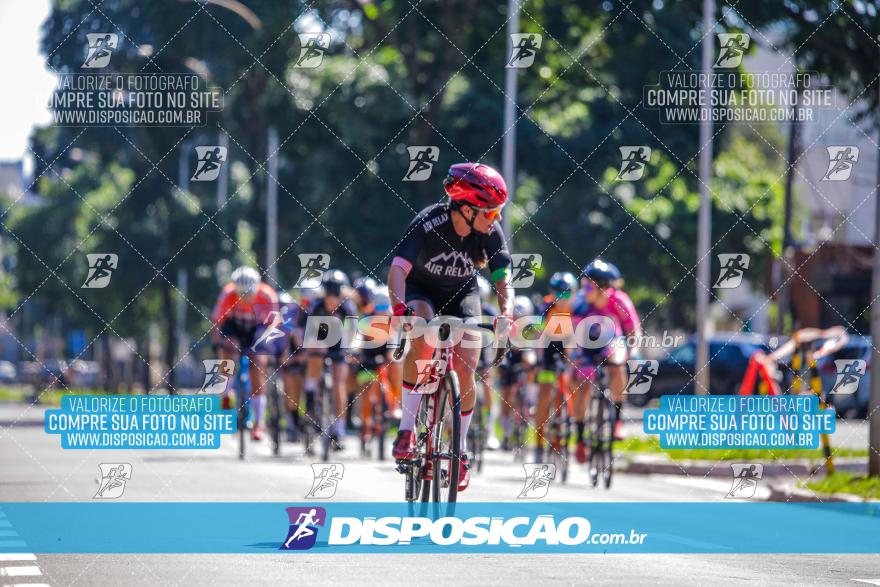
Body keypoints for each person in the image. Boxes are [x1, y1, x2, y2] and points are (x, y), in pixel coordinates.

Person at [387, 162, 513, 492]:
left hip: (463, 294)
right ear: (466, 207)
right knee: (425, 335)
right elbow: (398, 272)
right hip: (421, 291)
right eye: (490, 211)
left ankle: (460, 450)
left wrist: (507, 313)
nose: (496, 218)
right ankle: (406, 428)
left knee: (468, 359)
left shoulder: (489, 232)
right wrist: (400, 309)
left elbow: (503, 278)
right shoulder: (429, 223)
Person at [572, 260, 641, 454]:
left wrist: (632, 351)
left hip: (612, 341)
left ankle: (617, 421)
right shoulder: (580, 303)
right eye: (584, 284)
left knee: (618, 365)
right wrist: (574, 356)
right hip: (586, 343)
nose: (584, 289)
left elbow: (633, 330)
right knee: (584, 382)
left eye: (589, 285)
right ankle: (579, 437)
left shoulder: (620, 301)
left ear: (603, 286)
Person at [211, 266, 279, 441]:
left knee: (258, 367)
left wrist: (266, 348)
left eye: (249, 295)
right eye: (242, 295)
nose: (246, 300)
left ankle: (258, 424)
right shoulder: (228, 294)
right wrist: (219, 343)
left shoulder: (267, 295)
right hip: (234, 326)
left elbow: (274, 326)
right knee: (227, 359)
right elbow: (217, 323)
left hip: (258, 328)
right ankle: (226, 397)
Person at [299, 269, 358, 451]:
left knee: (339, 382)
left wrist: (351, 349)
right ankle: (310, 394)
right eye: (329, 295)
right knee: (315, 356)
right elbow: (310, 334)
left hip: (340, 341)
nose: (333, 300)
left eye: (336, 295)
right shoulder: (316, 306)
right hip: (320, 336)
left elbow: (353, 331)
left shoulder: (348, 307)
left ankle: (338, 431)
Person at [534, 272, 576, 463]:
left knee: (567, 389)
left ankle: (564, 430)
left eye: (566, 294)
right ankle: (539, 441)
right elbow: (539, 336)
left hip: (570, 348)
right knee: (545, 391)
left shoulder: (577, 308)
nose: (562, 298)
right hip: (549, 350)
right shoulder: (546, 306)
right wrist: (540, 361)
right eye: (558, 293)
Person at [498, 295, 538, 451]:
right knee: (506, 393)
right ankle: (507, 432)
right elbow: (499, 349)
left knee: (530, 361)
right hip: (509, 357)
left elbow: (535, 348)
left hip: (525, 354)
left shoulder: (533, 327)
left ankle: (529, 397)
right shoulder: (506, 326)